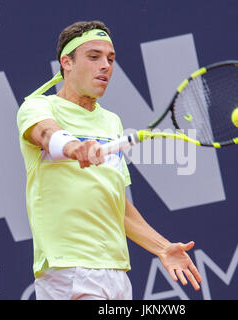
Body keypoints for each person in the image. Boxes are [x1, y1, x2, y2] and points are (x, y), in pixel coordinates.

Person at [16, 20, 202, 300]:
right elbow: (44, 132)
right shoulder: (38, 106)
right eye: (93, 57)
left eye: (110, 59)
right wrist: (73, 147)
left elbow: (119, 206)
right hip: (69, 271)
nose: (105, 65)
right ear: (66, 62)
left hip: (115, 273)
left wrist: (162, 247)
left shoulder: (111, 122)